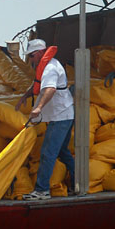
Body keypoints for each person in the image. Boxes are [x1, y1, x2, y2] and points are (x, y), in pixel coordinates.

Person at [15, 39, 75, 200]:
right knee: (62, 152)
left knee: (47, 153)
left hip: (61, 116)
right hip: (64, 115)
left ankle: (42, 191)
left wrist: (39, 107)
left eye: (32, 56)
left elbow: (50, 89)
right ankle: (78, 184)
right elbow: (38, 85)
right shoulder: (45, 67)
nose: (31, 59)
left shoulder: (50, 68)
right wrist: (24, 97)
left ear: (40, 53)